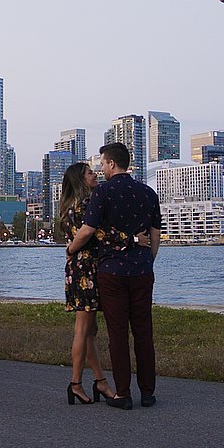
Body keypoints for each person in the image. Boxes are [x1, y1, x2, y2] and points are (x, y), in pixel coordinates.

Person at [69, 142, 161, 410]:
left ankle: (123, 393)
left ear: (111, 163)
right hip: (142, 270)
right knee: (144, 331)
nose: (100, 168)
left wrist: (70, 248)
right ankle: (147, 392)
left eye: (102, 163)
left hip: (112, 272)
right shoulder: (148, 192)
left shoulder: (103, 192)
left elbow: (87, 230)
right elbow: (155, 235)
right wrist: (147, 260)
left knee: (118, 333)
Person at [58, 162, 117, 405]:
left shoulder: (68, 207)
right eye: (90, 173)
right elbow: (100, 233)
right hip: (87, 270)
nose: (95, 175)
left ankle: (100, 381)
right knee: (83, 330)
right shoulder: (86, 205)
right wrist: (134, 238)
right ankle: (75, 383)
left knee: (90, 330)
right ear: (81, 180)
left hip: (76, 269)